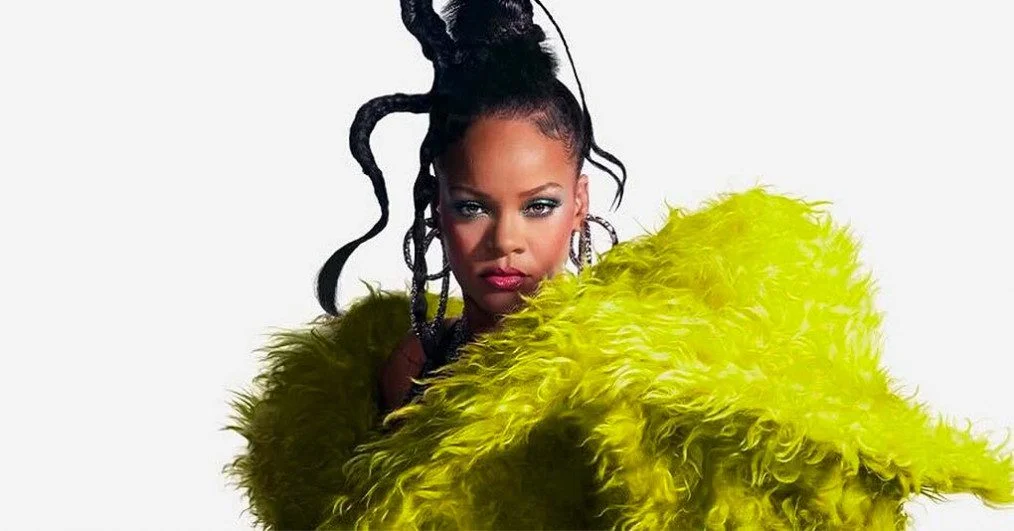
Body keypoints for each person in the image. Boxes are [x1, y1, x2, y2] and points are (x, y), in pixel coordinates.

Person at [225, 1, 1014, 529]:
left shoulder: (638, 363)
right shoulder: (402, 370)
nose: (506, 241)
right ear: (435, 206)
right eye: (473, 206)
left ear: (579, 202)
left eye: (538, 205)